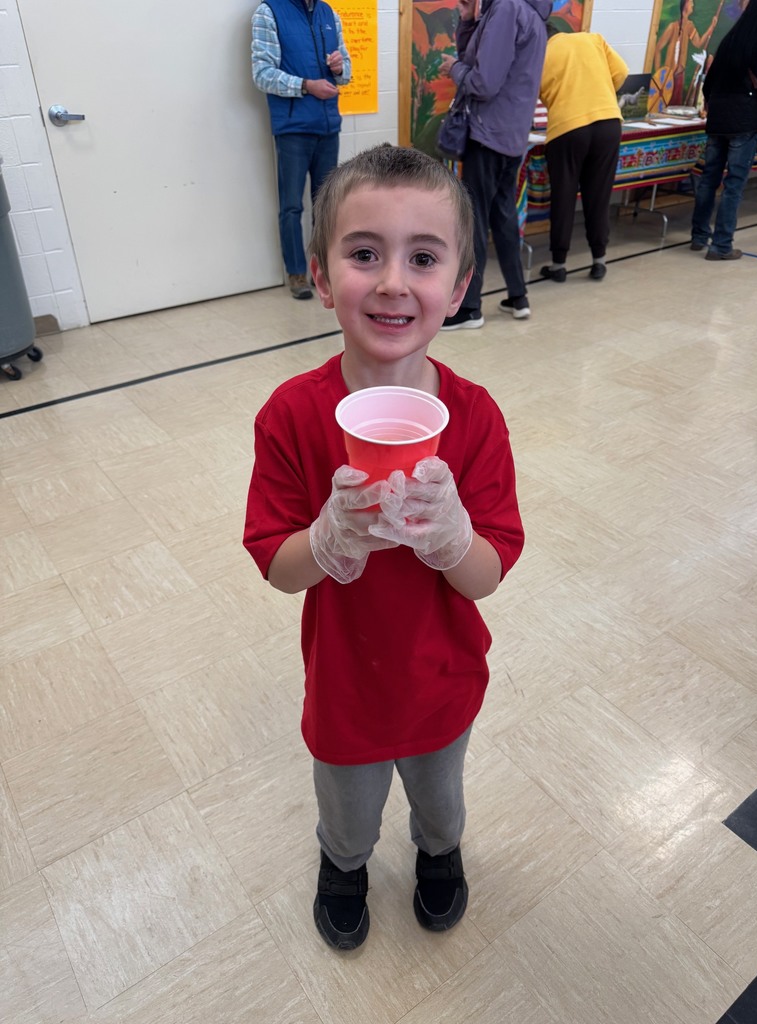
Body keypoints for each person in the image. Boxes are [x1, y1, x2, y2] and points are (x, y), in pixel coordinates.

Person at [243, 144, 524, 951]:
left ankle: (439, 855)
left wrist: (452, 536)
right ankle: (344, 865)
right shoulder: (291, 416)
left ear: (459, 286)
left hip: (444, 676)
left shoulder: (476, 418)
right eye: (365, 254)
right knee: (348, 807)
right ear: (323, 277)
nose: (395, 281)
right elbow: (275, 564)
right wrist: (327, 541)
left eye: (424, 257)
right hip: (344, 684)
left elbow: (487, 575)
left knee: (441, 799)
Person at [437, 0, 552, 329]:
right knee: (503, 213)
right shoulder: (530, 13)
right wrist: (468, 20)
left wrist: (453, 70)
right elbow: (478, 59)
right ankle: (518, 296)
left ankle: (469, 307)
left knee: (473, 218)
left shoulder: (506, 8)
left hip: (488, 134)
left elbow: (484, 83)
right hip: (512, 135)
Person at [251, 0, 351, 299]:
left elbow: (345, 72)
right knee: (291, 207)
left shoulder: (329, 13)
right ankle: (297, 274)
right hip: (293, 129)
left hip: (328, 127)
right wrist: (307, 85)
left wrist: (340, 67)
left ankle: (326, 272)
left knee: (327, 206)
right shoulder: (268, 12)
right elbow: (262, 74)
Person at [537, 23, 629, 282]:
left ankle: (559, 265)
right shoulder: (593, 39)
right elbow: (621, 73)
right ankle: (599, 260)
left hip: (567, 130)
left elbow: (534, 91)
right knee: (599, 195)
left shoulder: (539, 53)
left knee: (564, 197)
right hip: (608, 123)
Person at [690, 0, 757, 260]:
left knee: (709, 178)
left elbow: (708, 84)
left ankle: (699, 236)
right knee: (733, 183)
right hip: (745, 119)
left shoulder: (730, 40)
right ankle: (721, 245)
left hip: (719, 118)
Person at [651, 0, 719, 110]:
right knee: (664, 106)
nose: (693, 5)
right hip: (668, 76)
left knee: (675, 107)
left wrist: (711, 27)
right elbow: (658, 49)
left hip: (679, 75)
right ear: (685, 5)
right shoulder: (672, 27)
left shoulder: (689, 26)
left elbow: (699, 43)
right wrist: (659, 73)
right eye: (691, 2)